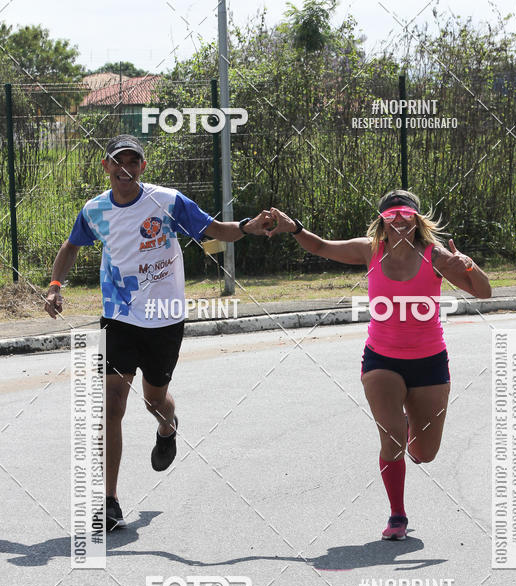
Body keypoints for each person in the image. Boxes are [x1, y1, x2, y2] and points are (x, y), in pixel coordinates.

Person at [45, 134, 272, 531]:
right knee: (112, 403)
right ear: (107, 167)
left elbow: (215, 230)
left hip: (165, 318)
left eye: (133, 162)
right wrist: (55, 287)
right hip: (118, 318)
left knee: (154, 400)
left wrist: (249, 226)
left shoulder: (166, 201)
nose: (125, 169)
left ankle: (167, 426)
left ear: (143, 167)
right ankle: (110, 502)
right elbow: (70, 246)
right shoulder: (95, 209)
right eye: (118, 162)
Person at [267, 190, 491, 540]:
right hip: (381, 360)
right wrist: (292, 226)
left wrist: (467, 265)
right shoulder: (370, 250)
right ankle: (397, 515)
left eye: (406, 213)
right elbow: (321, 246)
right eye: (392, 214)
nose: (399, 219)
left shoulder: (436, 255)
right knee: (392, 439)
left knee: (424, 453)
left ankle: (407, 431)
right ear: (383, 220)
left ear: (417, 219)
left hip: (430, 363)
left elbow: (484, 292)